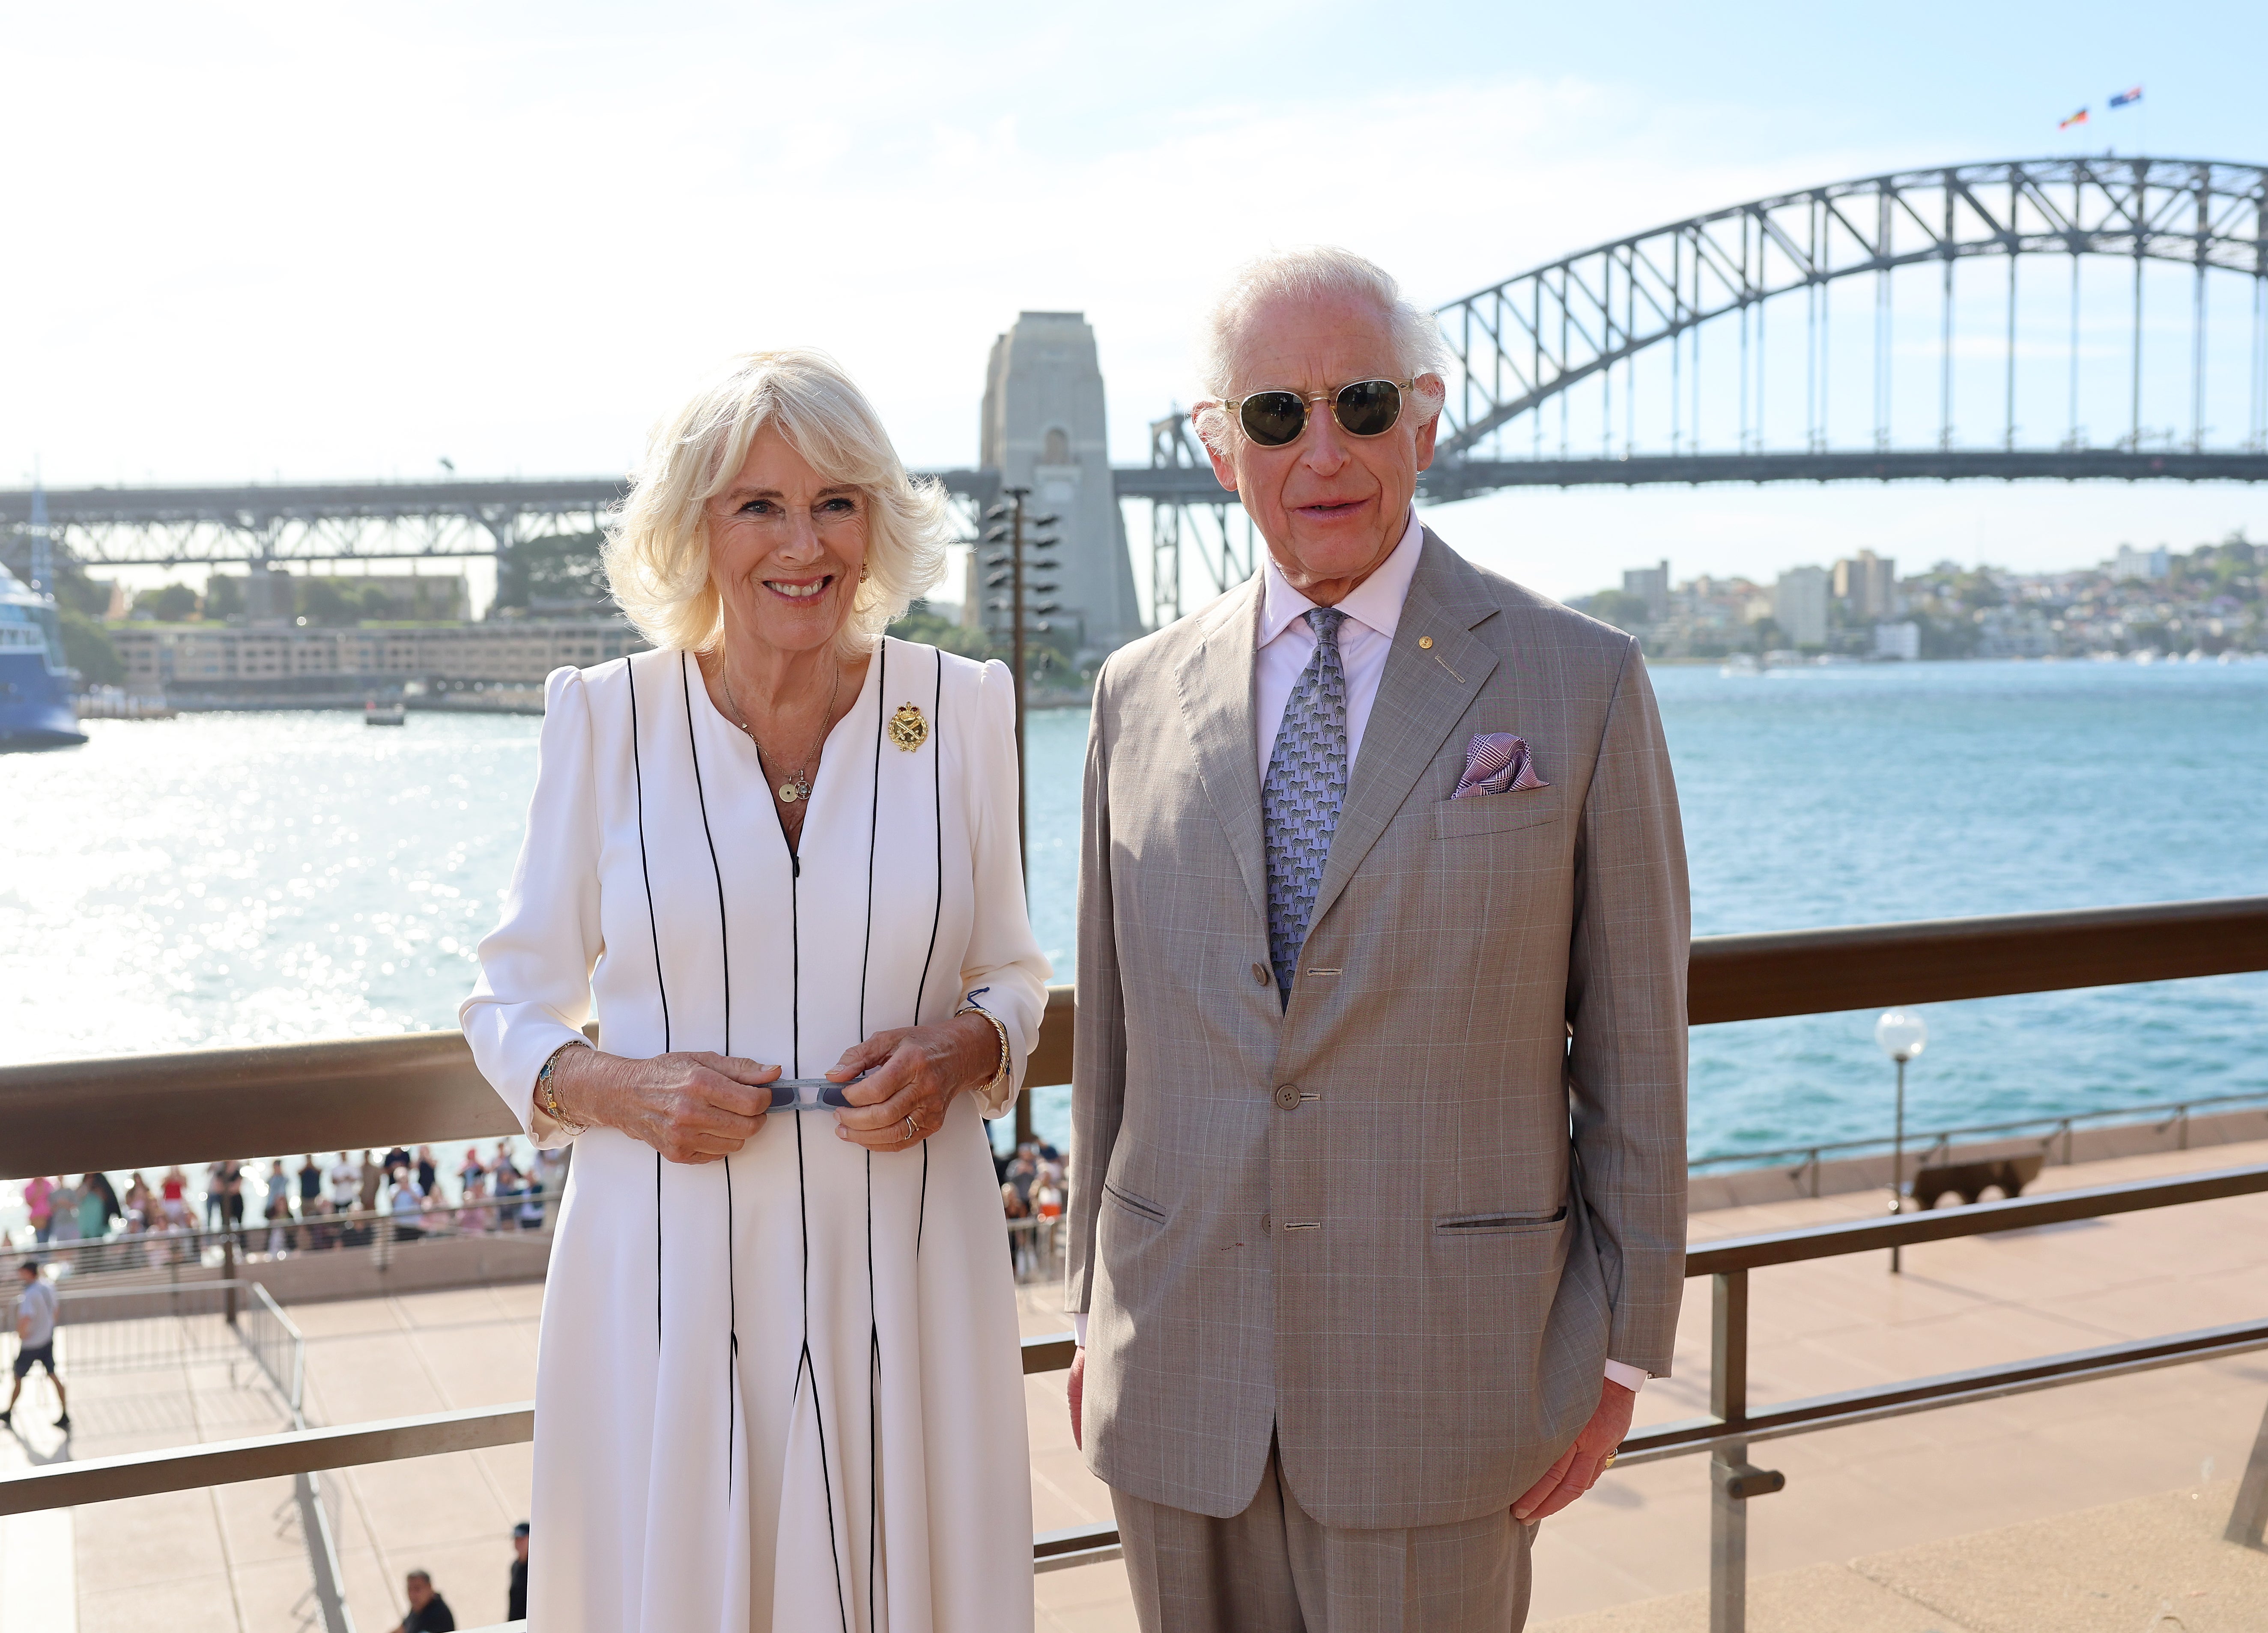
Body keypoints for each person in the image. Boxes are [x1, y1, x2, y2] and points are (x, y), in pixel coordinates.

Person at [1066, 248, 1689, 1633]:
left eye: (1358, 403)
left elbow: (1636, 1037)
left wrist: (1623, 1348)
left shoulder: (1577, 680)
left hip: (1451, 1371)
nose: (1322, 450)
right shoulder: (1131, 695)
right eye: (1274, 416)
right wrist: (1088, 1308)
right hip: (1176, 1369)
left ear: (1423, 417)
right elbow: (1112, 1037)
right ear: (1216, 450)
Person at [460, 348, 1049, 1632]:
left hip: (908, 1261)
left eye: (836, 501)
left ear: (878, 523)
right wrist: (623, 1085)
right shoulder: (605, 719)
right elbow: (507, 1004)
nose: (803, 542)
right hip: (664, 1278)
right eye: (757, 504)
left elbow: (1011, 970)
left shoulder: (957, 711)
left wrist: (958, 1050)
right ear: (693, 528)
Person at [3, 1261, 68, 1432]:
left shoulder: (31, 1294)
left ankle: (9, 1412)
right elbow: (55, 1310)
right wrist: (47, 1328)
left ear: (29, 1273)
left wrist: (21, 1335)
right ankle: (65, 1412)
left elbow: (26, 1319)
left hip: (32, 1344)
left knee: (18, 1377)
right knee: (53, 1375)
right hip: (46, 1339)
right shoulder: (47, 1287)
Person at [392, 1569, 454, 1633]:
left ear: (429, 1587)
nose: (412, 1594)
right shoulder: (418, 1608)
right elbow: (403, 1629)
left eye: (417, 1589)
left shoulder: (439, 1614)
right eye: (410, 1589)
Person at [507, 1522, 529, 1621]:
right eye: (516, 1539)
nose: (518, 1542)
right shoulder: (515, 1566)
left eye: (522, 1539)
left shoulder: (534, 1571)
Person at [23, 1176, 54, 1245]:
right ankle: (42, 1255)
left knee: (50, 1238)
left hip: (50, 1216)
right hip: (38, 1218)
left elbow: (53, 1199)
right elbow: (30, 1203)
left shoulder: (48, 1184)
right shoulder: (29, 1187)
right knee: (41, 1240)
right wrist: (38, 1192)